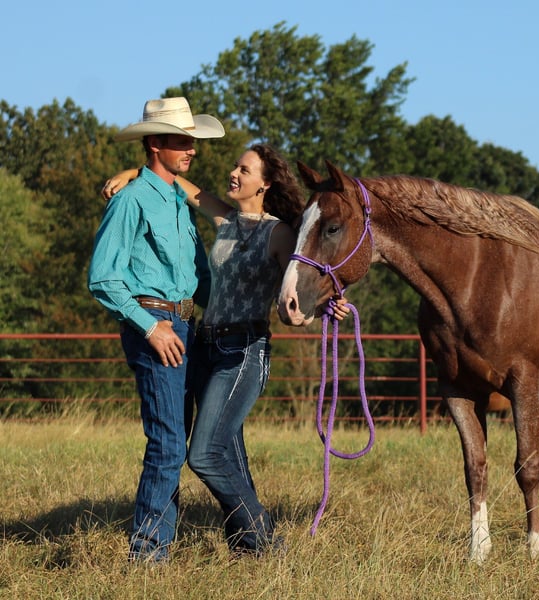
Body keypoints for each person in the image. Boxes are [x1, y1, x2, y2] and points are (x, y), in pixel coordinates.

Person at [104, 144, 349, 556]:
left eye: (244, 169)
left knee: (204, 454)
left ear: (265, 184)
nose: (233, 173)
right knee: (229, 451)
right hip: (206, 346)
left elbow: (299, 290)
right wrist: (132, 173)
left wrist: (327, 305)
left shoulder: (280, 234)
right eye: (236, 166)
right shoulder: (227, 219)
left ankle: (264, 533)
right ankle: (250, 545)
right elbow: (180, 185)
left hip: (244, 352)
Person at [88, 97, 225, 563]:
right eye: (181, 142)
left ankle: (160, 540)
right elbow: (103, 278)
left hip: (188, 326)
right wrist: (151, 328)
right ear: (154, 144)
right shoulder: (131, 200)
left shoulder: (180, 204)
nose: (192, 149)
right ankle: (148, 555)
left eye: (192, 142)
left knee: (180, 440)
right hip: (156, 325)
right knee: (167, 442)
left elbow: (201, 279)